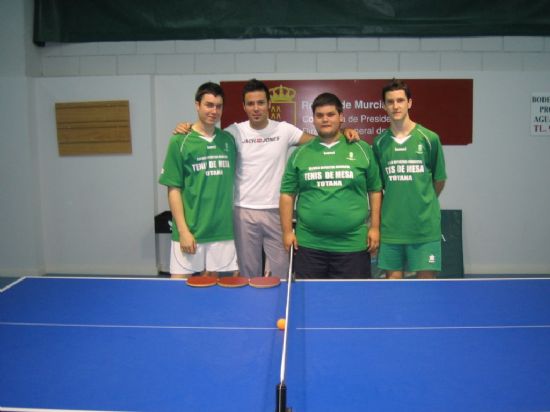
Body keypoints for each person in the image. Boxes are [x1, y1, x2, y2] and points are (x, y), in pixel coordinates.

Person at [174, 79, 359, 278]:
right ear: (244, 106)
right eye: (251, 103)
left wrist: (342, 132)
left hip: (276, 212)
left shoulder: (284, 130)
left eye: (261, 102)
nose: (256, 108)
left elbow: (319, 140)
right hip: (243, 212)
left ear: (269, 104)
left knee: (281, 272)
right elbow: (204, 135)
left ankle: (278, 308)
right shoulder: (232, 133)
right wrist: (186, 128)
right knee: (248, 274)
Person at [279, 92, 382, 279]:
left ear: (341, 117)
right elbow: (287, 194)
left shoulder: (362, 149)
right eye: (319, 115)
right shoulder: (300, 154)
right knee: (311, 304)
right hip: (309, 246)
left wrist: (375, 227)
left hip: (353, 246)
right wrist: (287, 231)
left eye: (330, 114)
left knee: (352, 304)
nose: (325, 119)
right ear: (313, 119)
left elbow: (375, 190)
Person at [159, 82, 238, 278]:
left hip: (222, 232)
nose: (214, 111)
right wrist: (183, 231)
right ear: (197, 105)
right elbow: (173, 189)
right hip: (190, 232)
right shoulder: (180, 140)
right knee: (179, 290)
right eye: (209, 105)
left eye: (218, 106)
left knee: (217, 294)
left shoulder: (228, 140)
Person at [372, 78, 447, 279]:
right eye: (390, 101)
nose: (395, 106)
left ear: (409, 103)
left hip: (424, 228)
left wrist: (423, 200)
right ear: (384, 106)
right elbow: (378, 187)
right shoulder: (379, 143)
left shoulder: (429, 139)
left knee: (425, 289)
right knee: (393, 287)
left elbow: (438, 181)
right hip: (391, 229)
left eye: (400, 100)